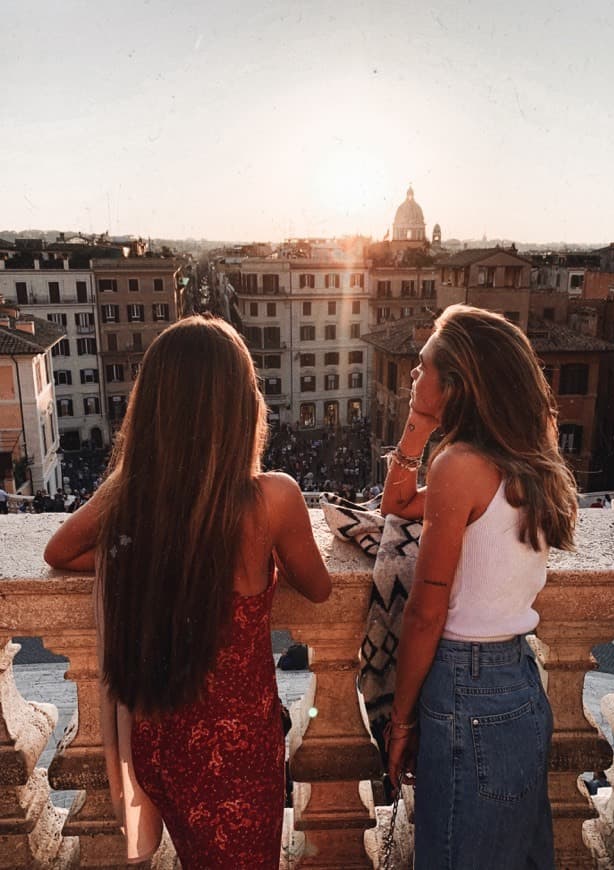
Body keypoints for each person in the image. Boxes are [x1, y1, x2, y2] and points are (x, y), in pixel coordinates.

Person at [44, 315, 331, 869]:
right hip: (235, 759)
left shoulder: (131, 495)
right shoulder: (272, 499)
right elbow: (317, 588)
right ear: (238, 406)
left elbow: (61, 551)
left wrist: (139, 553)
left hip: (160, 738)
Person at [381, 304, 577, 870]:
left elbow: (423, 614)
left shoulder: (461, 467)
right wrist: (417, 425)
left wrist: (402, 719)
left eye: (423, 369)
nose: (414, 375)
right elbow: (397, 503)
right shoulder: (527, 461)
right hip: (518, 685)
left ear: (458, 385)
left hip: (467, 688)